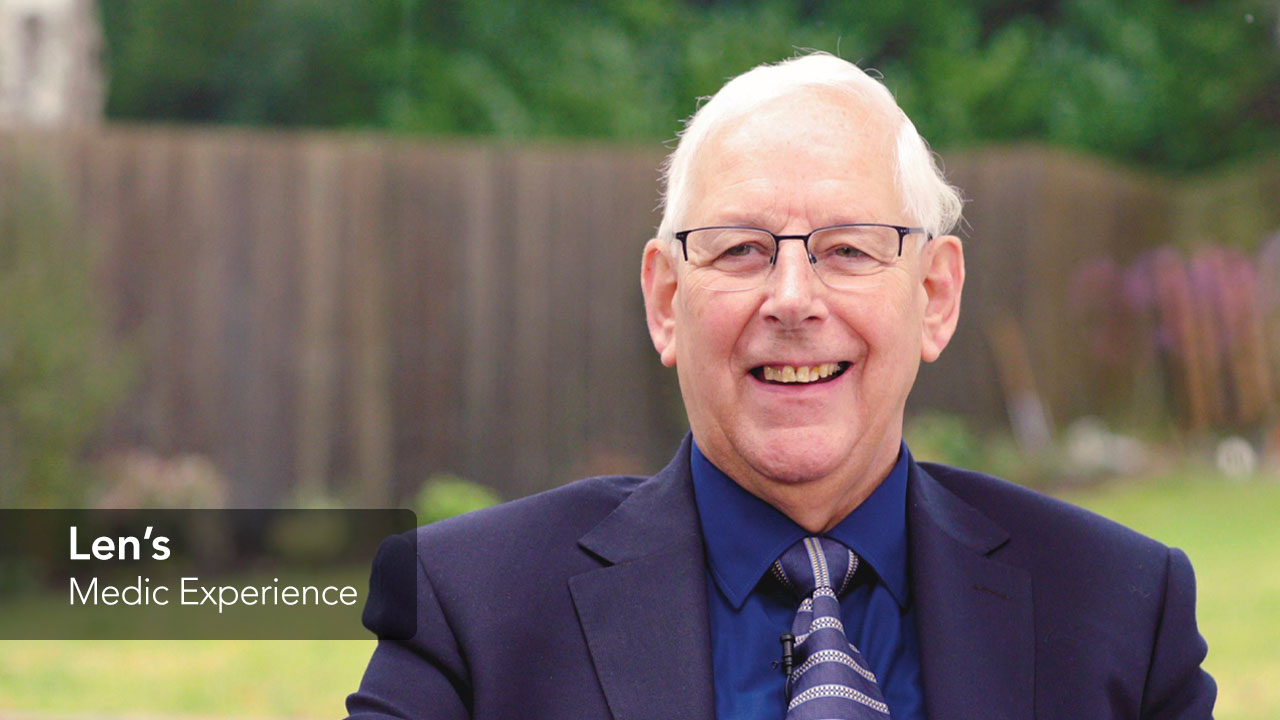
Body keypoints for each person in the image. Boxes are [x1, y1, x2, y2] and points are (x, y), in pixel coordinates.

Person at [346, 52, 1215, 719]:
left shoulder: (1121, 611)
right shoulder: (467, 611)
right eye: (739, 249)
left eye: (848, 249)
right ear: (664, 301)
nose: (793, 300)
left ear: (936, 296)